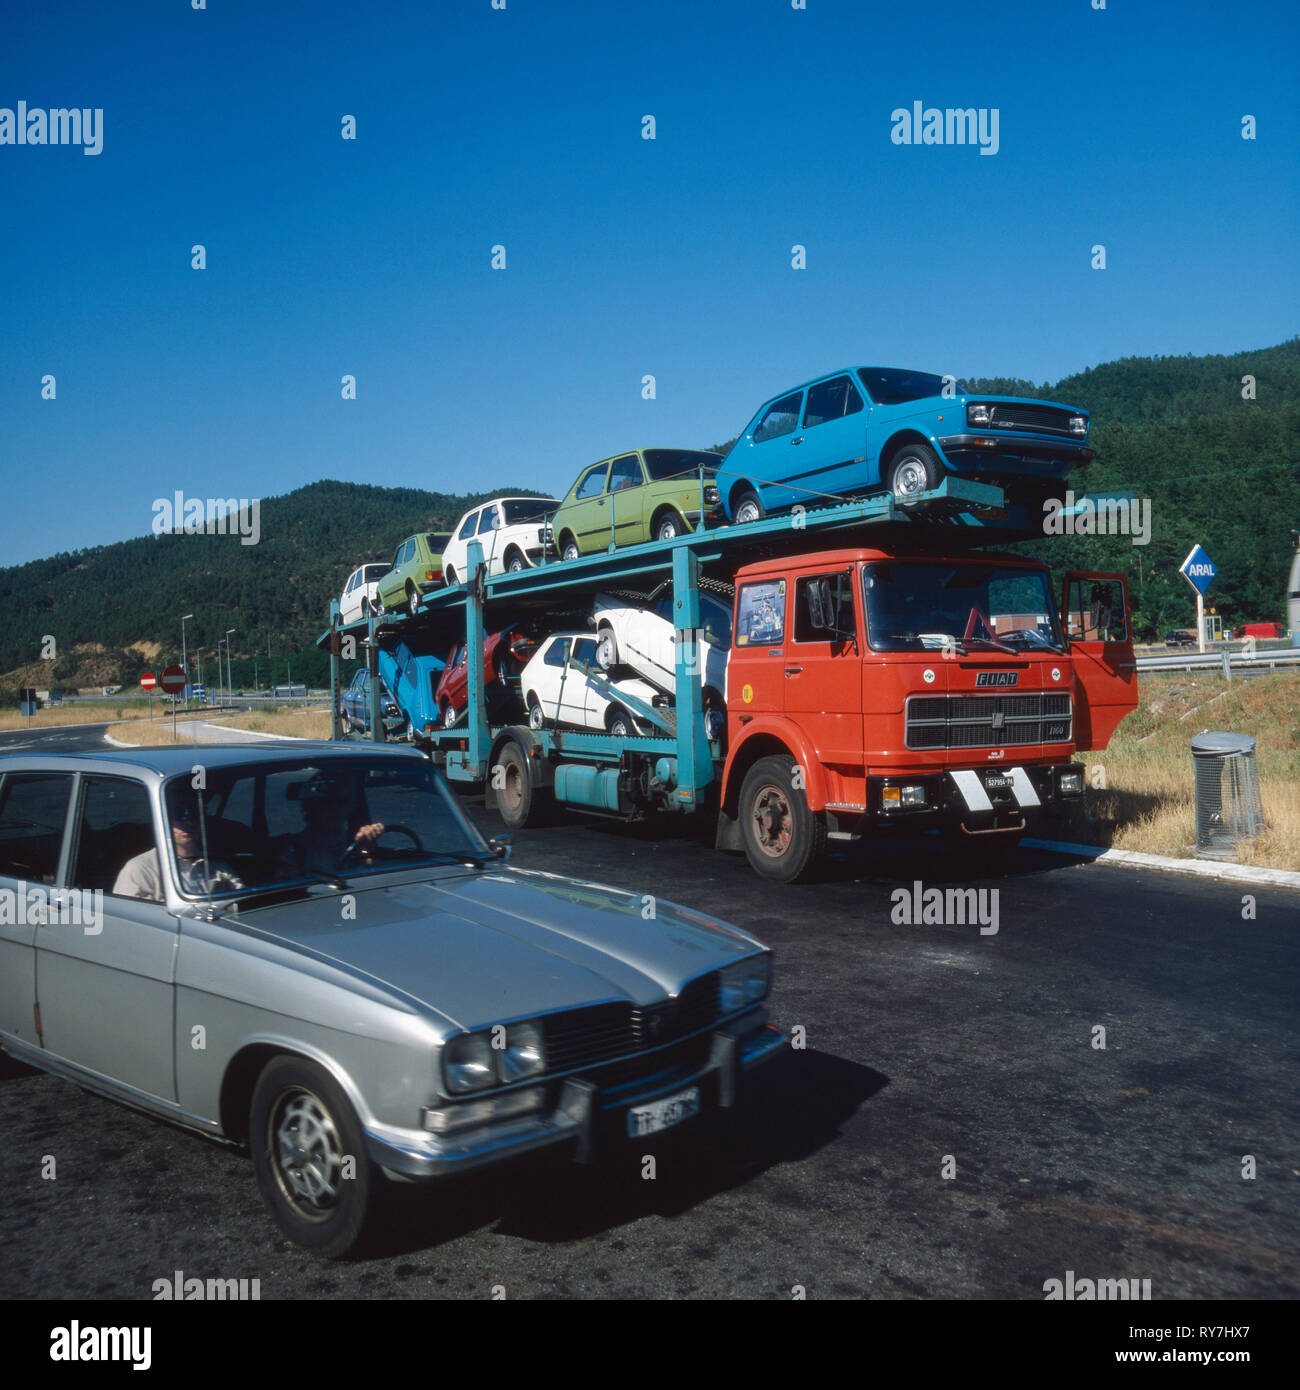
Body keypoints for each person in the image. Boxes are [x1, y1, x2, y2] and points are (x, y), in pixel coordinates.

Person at [114, 790, 244, 899]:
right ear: (164, 821)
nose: (188, 822)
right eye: (179, 815)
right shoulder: (140, 869)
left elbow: (242, 902)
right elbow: (133, 920)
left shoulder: (219, 866)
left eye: (195, 814)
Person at [274, 773, 384, 877]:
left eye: (342, 802)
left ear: (351, 806)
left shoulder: (356, 841)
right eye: (327, 802)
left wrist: (366, 847)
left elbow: (372, 878)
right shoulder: (292, 848)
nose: (336, 809)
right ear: (311, 805)